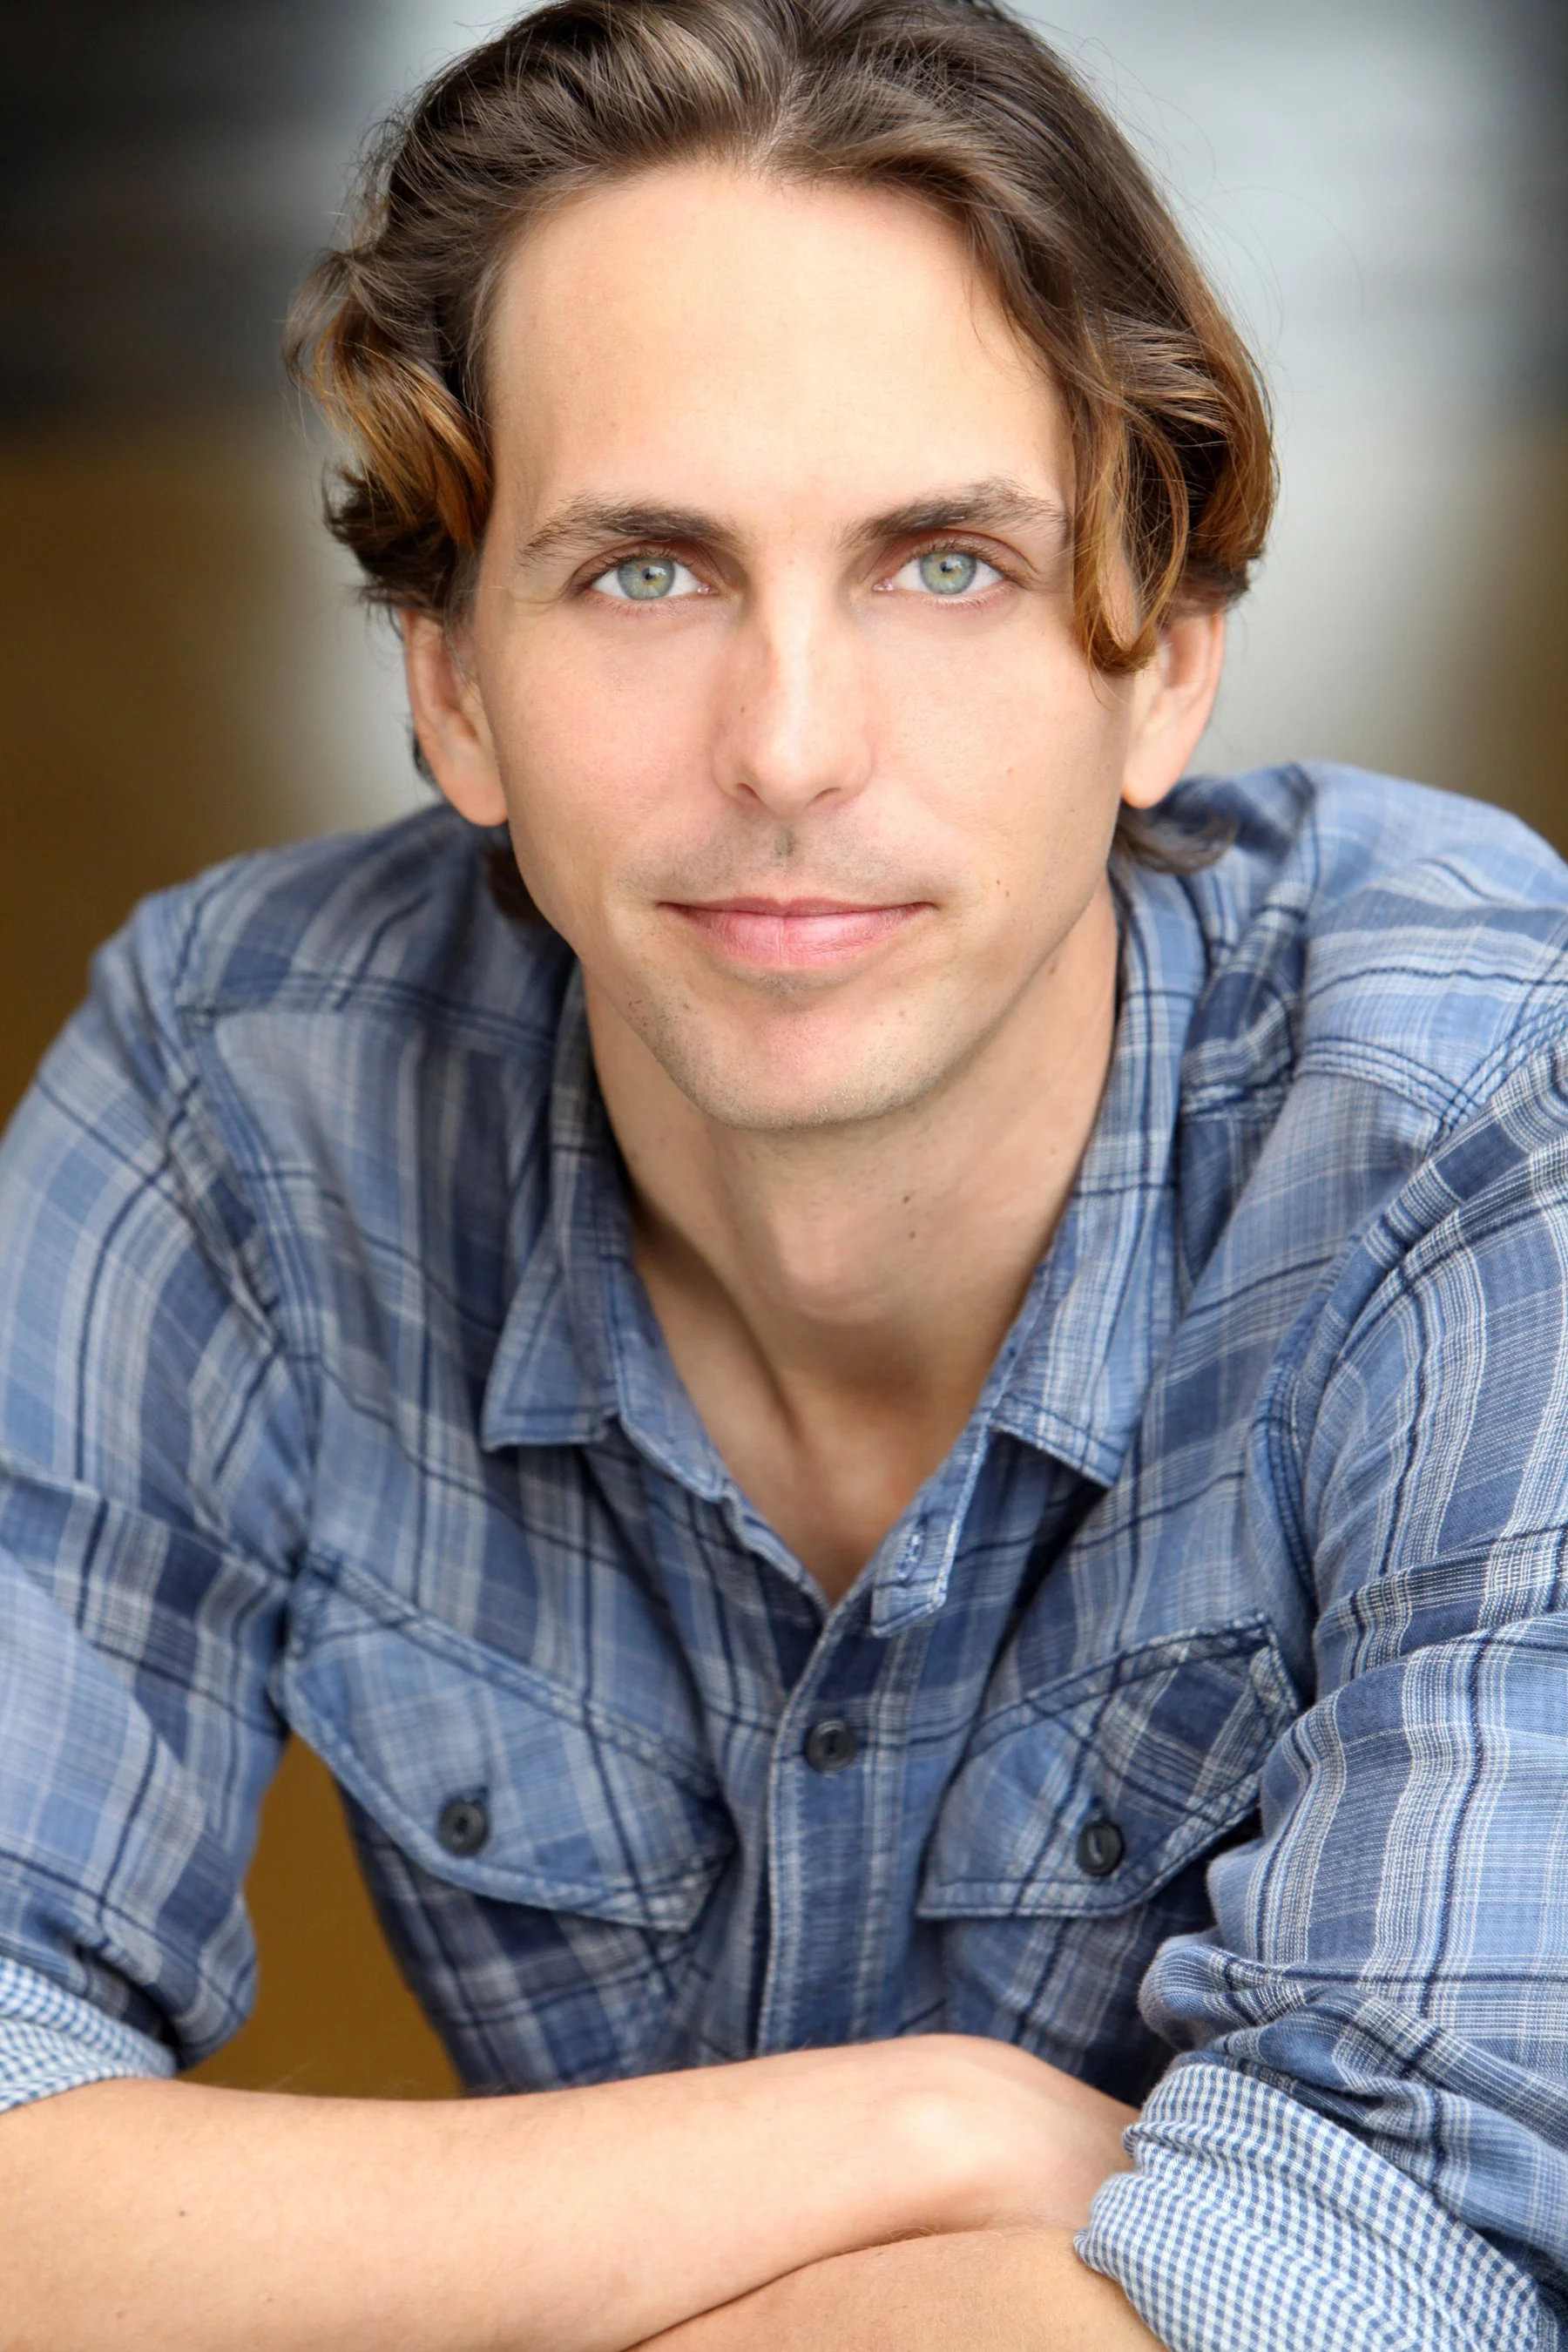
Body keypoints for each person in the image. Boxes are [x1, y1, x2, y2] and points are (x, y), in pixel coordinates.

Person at [0, 0, 1564, 2342]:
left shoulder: (1485, 1121)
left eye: (946, 565)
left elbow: (1396, 2269)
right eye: (649, 571)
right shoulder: (241, 1099)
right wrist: (918, 2128)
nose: (793, 751)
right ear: (450, 684)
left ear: (1165, 657)